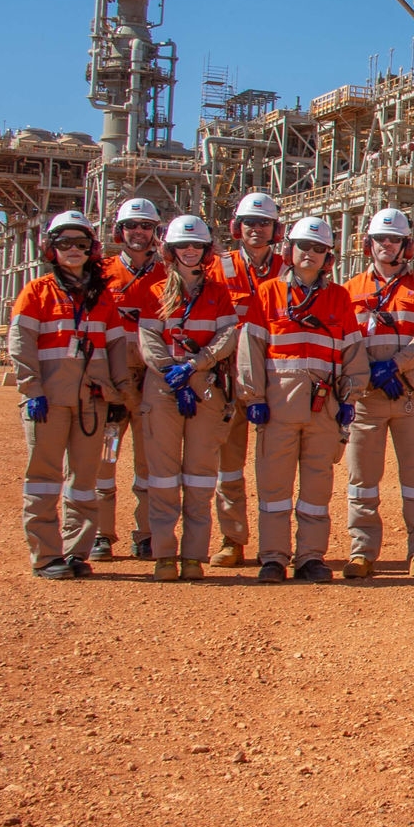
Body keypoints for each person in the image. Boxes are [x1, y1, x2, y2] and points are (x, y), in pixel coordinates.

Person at [235, 217, 367, 583]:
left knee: (316, 486)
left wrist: (350, 396)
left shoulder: (338, 298)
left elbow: (352, 351)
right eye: (303, 247)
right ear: (289, 250)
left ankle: (310, 556)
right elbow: (251, 348)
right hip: (277, 405)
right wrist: (254, 396)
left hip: (323, 406)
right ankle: (273, 558)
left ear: (328, 257)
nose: (309, 254)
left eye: (318, 249)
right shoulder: (268, 294)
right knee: (274, 486)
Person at [10, 211, 120, 579]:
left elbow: (116, 349)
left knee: (84, 481)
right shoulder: (37, 291)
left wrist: (116, 397)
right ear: (51, 249)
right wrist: (31, 390)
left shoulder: (102, 297)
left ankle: (76, 552)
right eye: (64, 244)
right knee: (43, 479)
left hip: (91, 401)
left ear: (93, 248)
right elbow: (20, 345)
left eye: (81, 244)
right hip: (49, 401)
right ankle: (45, 557)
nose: (73, 250)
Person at [135, 216, 240, 582]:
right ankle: (165, 554)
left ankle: (193, 555)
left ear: (206, 251)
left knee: (199, 476)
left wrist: (197, 364)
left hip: (204, 385)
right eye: (183, 246)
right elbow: (148, 341)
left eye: (196, 246)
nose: (190, 251)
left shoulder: (218, 293)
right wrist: (170, 372)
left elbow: (228, 336)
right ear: (171, 251)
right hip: (164, 388)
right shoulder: (155, 292)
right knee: (163, 476)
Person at [342, 208, 414, 579]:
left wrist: (395, 366)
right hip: (366, 398)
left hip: (410, 396)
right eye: (381, 239)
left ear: (408, 246)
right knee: (362, 480)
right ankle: (362, 551)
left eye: (395, 240)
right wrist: (368, 373)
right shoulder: (351, 289)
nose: (388, 246)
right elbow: (347, 339)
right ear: (368, 244)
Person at [212, 192, 284, 566]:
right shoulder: (217, 268)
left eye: (264, 223)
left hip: (276, 381)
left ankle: (276, 545)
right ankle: (232, 539)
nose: (256, 230)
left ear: (275, 230)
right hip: (227, 380)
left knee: (275, 467)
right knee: (229, 464)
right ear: (236, 227)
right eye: (250, 223)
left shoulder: (292, 267)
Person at [97, 196, 166, 560]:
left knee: (149, 461)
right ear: (118, 231)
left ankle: (147, 533)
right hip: (111, 383)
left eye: (145, 226)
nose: (138, 232)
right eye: (131, 226)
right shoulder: (102, 272)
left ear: (156, 232)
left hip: (150, 382)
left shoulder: (168, 275)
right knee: (103, 458)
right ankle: (100, 533)